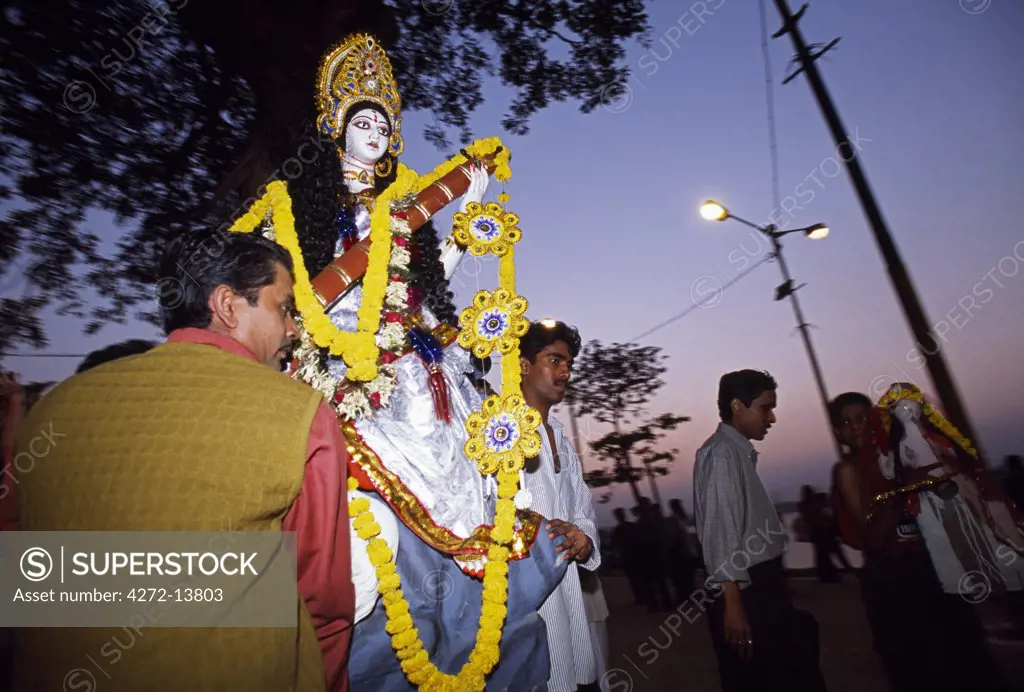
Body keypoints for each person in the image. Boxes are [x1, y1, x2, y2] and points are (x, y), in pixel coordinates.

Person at [256, 33, 565, 690]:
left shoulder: (405, 205)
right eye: (362, 120)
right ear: (336, 133)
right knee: (386, 559)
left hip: (432, 376)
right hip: (362, 382)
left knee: (482, 500)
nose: (376, 130)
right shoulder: (310, 213)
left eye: (384, 122)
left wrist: (457, 220)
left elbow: (417, 292)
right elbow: (320, 308)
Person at [9, 229, 354, 691]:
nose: (293, 329)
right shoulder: (301, 414)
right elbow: (323, 604)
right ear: (228, 305)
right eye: (283, 308)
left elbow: (21, 571)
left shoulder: (54, 407)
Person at [830, 391, 1006, 692]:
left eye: (862, 418)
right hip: (893, 584)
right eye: (846, 422)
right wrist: (903, 487)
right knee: (919, 671)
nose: (856, 427)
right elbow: (874, 537)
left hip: (934, 573)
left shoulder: (901, 457)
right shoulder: (849, 470)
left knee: (970, 664)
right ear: (838, 432)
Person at [693, 369, 826, 692]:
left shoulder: (735, 453)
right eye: (766, 407)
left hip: (757, 587)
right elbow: (721, 534)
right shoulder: (722, 454)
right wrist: (734, 606)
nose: (773, 417)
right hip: (748, 591)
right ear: (738, 406)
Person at [517, 320, 602, 691]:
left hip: (568, 594)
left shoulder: (564, 442)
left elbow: (583, 512)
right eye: (555, 360)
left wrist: (584, 540)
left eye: (569, 363)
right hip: (525, 602)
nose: (566, 371)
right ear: (522, 365)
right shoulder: (499, 435)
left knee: (574, 674)